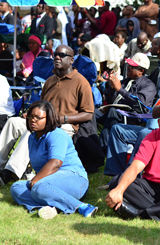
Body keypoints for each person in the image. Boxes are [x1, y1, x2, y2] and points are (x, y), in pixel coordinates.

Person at [0, 45, 95, 185]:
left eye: (62, 55)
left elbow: (88, 114)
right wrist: (31, 113)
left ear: (71, 60)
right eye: (55, 54)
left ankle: (10, 172)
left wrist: (62, 118)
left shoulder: (81, 82)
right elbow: (41, 105)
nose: (57, 57)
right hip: (43, 120)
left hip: (64, 126)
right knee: (13, 122)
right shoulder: (50, 80)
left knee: (34, 130)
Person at [10, 101, 98, 219]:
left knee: (38, 187)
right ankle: (50, 208)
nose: (33, 120)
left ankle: (82, 206)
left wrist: (35, 181)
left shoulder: (57, 135)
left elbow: (55, 163)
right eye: (30, 116)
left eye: (38, 117)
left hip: (75, 179)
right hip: (47, 182)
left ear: (49, 119)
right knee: (16, 188)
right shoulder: (32, 137)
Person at [97, 53, 156, 152]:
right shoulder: (125, 81)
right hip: (116, 113)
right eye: (128, 65)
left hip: (134, 116)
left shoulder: (148, 85)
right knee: (91, 113)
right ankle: (91, 145)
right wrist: (112, 88)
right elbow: (111, 101)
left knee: (113, 111)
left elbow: (141, 104)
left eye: (132, 67)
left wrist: (120, 89)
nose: (128, 68)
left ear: (141, 71)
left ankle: (102, 149)